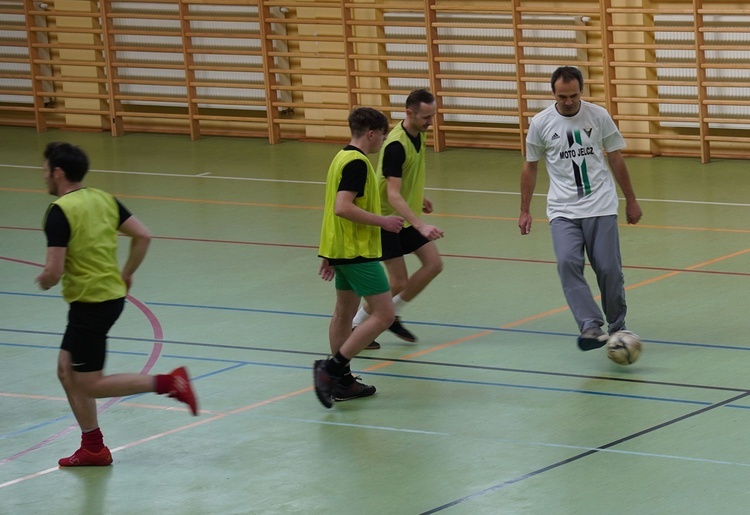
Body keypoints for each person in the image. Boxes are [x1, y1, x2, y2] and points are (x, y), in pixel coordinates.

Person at [36, 142, 198, 467]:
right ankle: (93, 447)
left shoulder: (60, 212)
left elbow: (53, 271)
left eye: (45, 170)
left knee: (90, 384)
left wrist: (46, 279)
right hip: (107, 299)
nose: (43, 177)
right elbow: (143, 235)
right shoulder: (103, 198)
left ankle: (169, 382)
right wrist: (127, 273)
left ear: (58, 172)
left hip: (90, 305)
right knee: (65, 370)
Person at [518, 66, 643, 351]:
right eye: (563, 96)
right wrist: (525, 209)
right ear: (553, 93)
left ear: (581, 91)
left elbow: (616, 157)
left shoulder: (598, 116)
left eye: (574, 95)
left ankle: (617, 326)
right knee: (567, 264)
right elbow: (530, 166)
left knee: (609, 269)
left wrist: (631, 200)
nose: (569, 101)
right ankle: (590, 326)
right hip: (563, 210)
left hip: (600, 204)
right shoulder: (540, 123)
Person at [313, 107, 404, 408]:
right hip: (357, 252)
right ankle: (331, 370)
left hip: (340, 248)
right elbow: (341, 207)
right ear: (371, 133)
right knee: (384, 315)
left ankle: (343, 382)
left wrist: (328, 252)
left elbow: (329, 209)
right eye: (383, 135)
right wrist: (384, 222)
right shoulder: (359, 164)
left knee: (343, 312)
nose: (383, 141)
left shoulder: (340, 157)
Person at [351, 89, 444, 349]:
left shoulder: (417, 134)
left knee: (434, 264)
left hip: (405, 215)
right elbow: (392, 195)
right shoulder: (395, 145)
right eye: (426, 117)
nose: (430, 122)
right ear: (409, 113)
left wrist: (419, 196)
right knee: (398, 281)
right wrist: (421, 225)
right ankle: (357, 324)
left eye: (432, 116)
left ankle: (392, 314)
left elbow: (401, 180)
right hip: (387, 220)